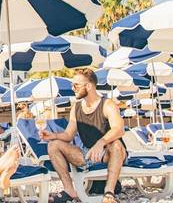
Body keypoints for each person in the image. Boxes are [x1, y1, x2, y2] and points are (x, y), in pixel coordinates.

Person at [41, 68, 126, 203]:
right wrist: (53, 135)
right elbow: (69, 134)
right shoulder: (76, 107)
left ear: (89, 86)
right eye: (72, 85)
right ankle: (69, 190)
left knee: (116, 144)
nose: (73, 88)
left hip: (110, 153)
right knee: (53, 145)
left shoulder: (107, 104)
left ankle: (109, 193)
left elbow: (119, 129)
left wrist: (101, 143)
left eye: (76, 85)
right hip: (88, 153)